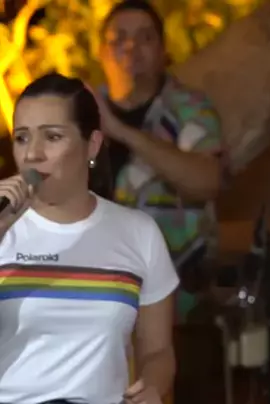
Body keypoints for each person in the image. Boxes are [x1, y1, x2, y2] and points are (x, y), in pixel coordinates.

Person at [0, 73, 177, 404]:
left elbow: (159, 351)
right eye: (22, 138)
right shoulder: (4, 228)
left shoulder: (138, 233)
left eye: (52, 137)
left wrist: (153, 385)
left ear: (92, 145)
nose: (33, 154)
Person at [96, 0, 223, 320]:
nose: (131, 46)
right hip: (99, 301)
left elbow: (207, 181)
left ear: (163, 50)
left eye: (145, 37)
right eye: (119, 38)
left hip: (181, 304)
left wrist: (121, 132)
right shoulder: (83, 113)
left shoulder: (189, 108)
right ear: (101, 52)